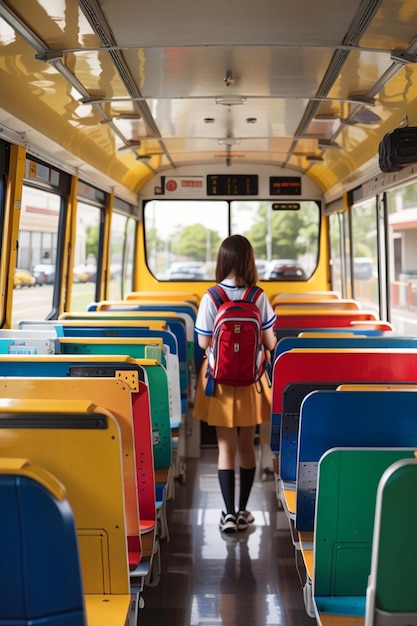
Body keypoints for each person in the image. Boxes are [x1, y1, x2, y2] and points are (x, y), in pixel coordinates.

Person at [193, 235, 277, 534]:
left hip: (218, 381)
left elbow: (203, 341)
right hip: (251, 383)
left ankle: (227, 514)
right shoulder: (258, 296)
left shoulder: (211, 297)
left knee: (224, 448)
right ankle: (243, 511)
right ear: (249, 261)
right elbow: (269, 342)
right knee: (246, 446)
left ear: (223, 261)